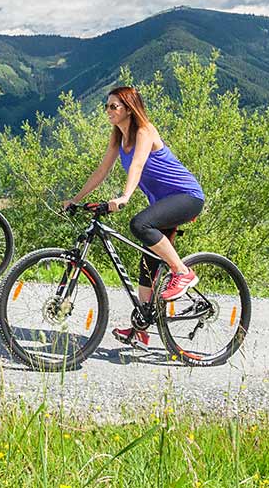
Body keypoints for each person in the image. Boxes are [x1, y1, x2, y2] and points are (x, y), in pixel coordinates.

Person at [62, 86, 206, 346]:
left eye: (113, 106)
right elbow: (101, 170)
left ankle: (181, 271)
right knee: (148, 262)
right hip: (165, 203)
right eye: (106, 106)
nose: (108, 111)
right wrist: (76, 199)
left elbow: (138, 164)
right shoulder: (117, 137)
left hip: (187, 196)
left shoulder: (144, 131)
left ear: (129, 108)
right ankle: (142, 325)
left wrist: (125, 196)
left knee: (139, 223)